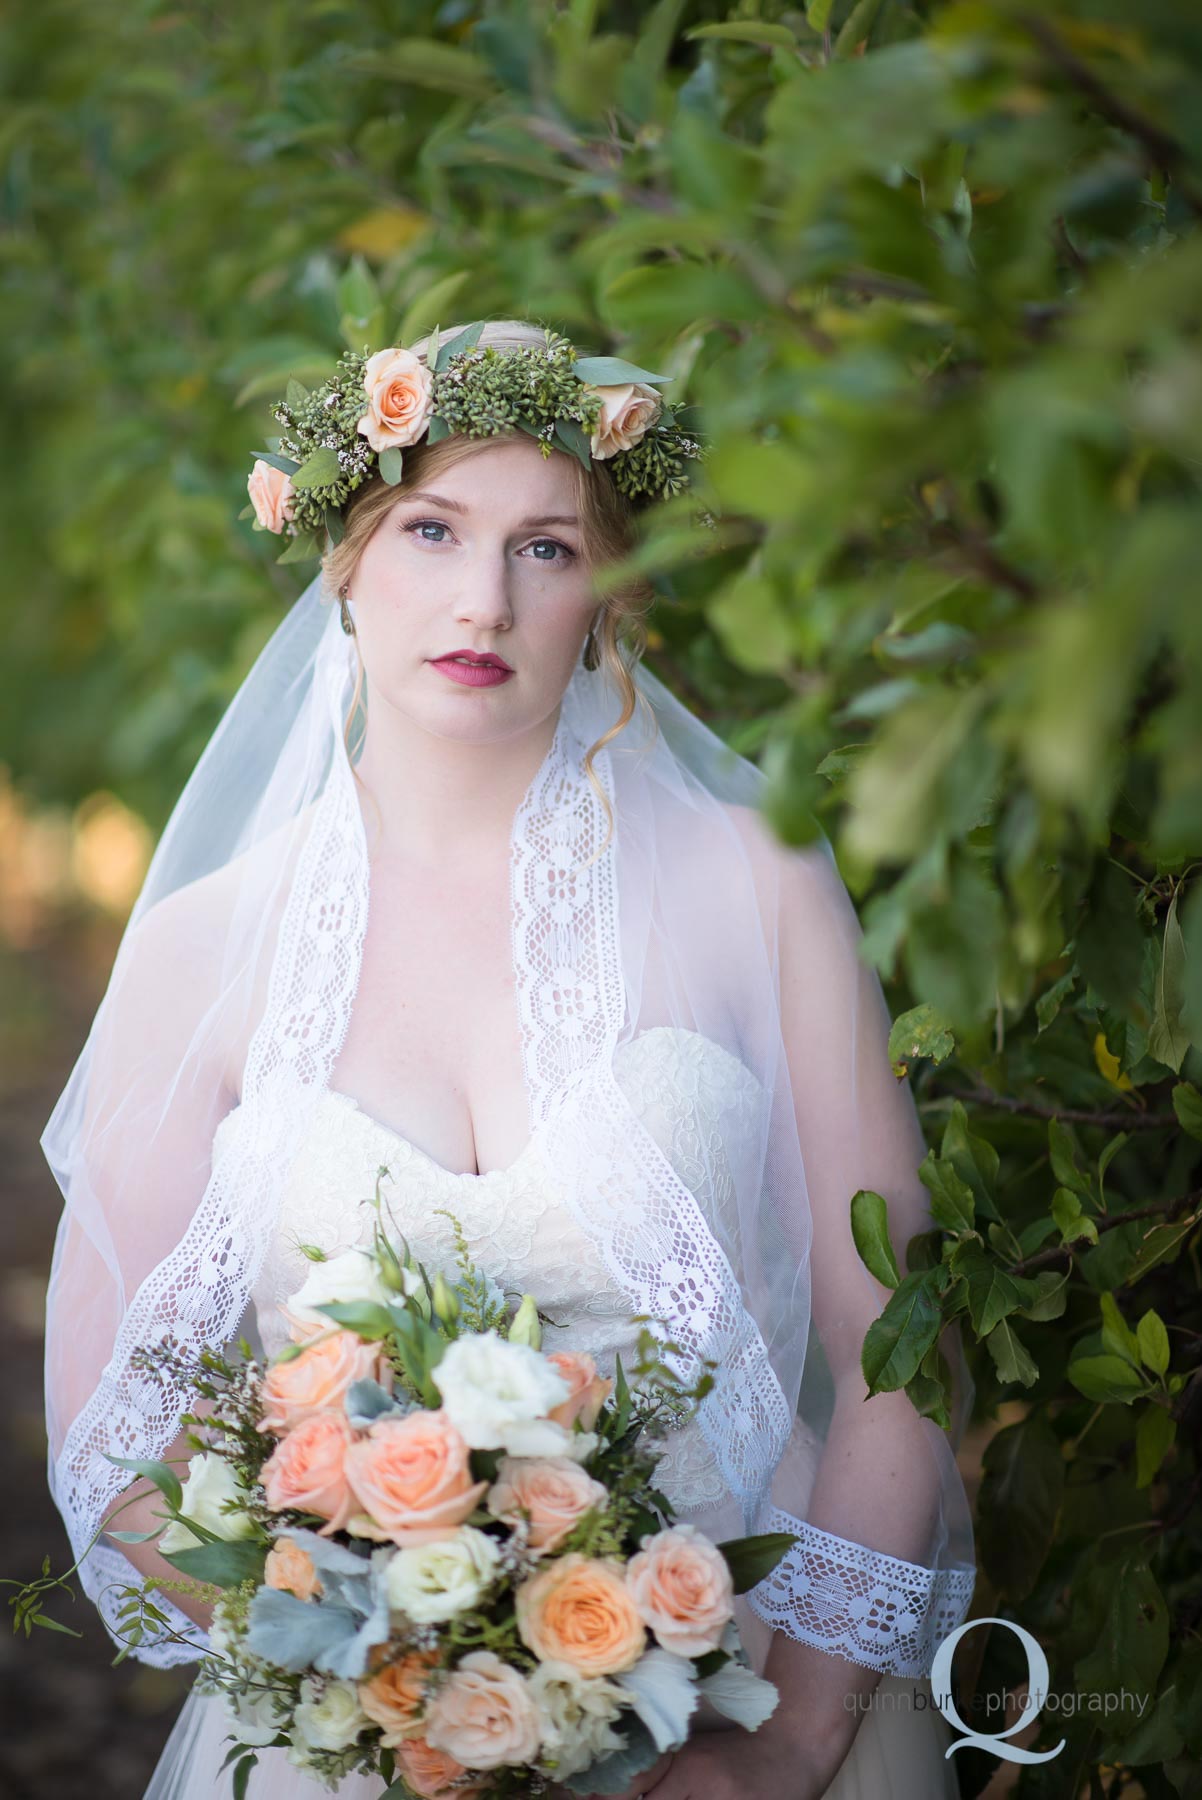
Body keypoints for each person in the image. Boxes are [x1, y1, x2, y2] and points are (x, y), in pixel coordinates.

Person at [41, 319, 977, 1799]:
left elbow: (896, 1351)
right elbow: (122, 1424)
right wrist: (390, 1690)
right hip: (359, 1734)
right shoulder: (202, 949)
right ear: (343, 559)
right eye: (431, 529)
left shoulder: (761, 881)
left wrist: (790, 1741)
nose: (482, 597)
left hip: (750, 1710)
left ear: (604, 589)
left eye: (545, 547)